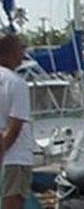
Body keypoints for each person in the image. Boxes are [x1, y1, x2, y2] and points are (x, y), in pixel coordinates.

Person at [0, 34, 33, 209]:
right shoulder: (16, 83)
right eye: (21, 49)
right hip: (15, 157)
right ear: (9, 52)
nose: (23, 53)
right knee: (12, 203)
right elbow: (14, 127)